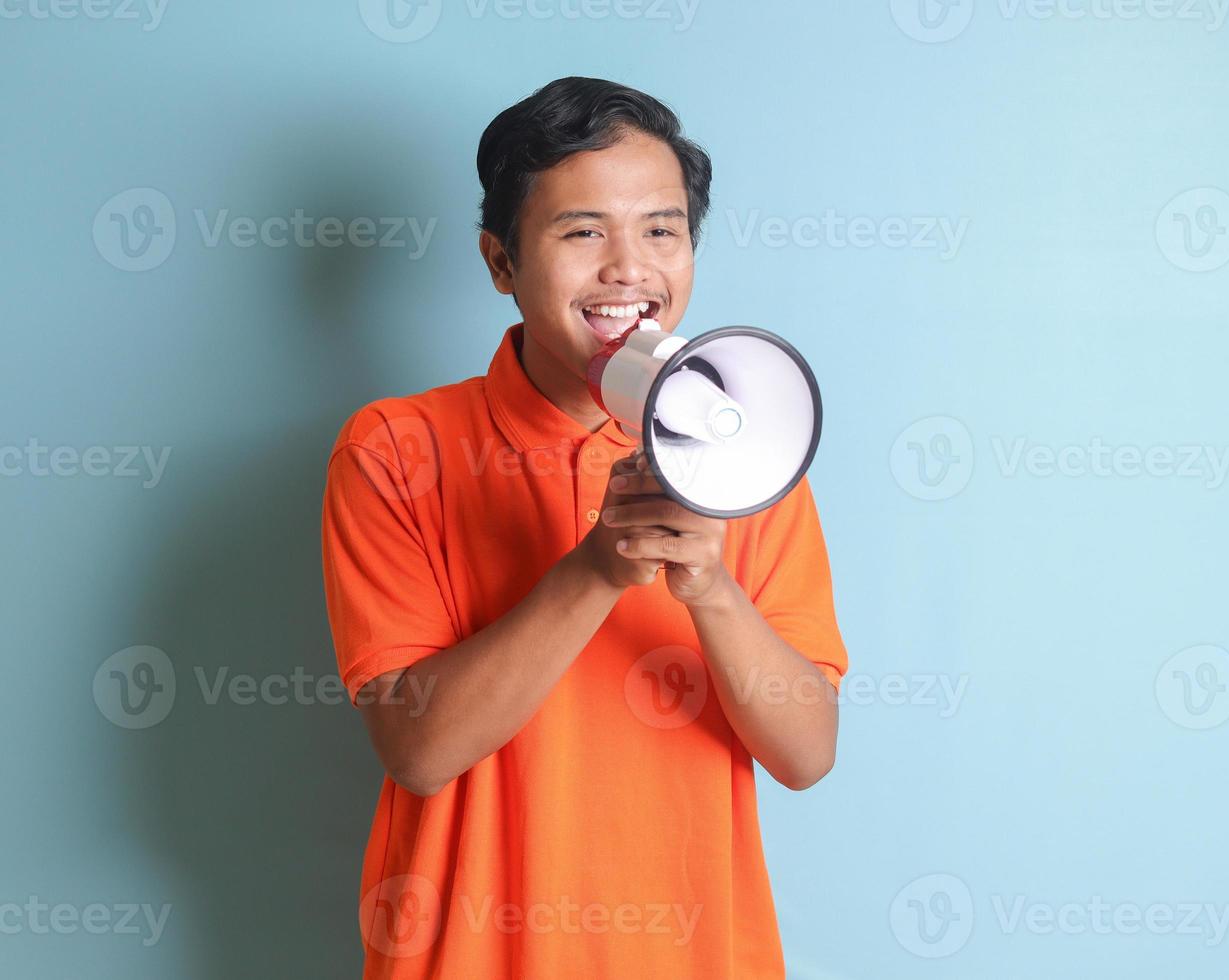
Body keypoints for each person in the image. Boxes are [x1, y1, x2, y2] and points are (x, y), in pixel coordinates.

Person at [320, 76, 848, 979]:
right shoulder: (396, 449)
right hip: (472, 956)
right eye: (582, 232)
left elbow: (806, 755)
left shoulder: (748, 450)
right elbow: (418, 748)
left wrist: (711, 590)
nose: (629, 269)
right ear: (500, 263)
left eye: (661, 229)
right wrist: (599, 567)